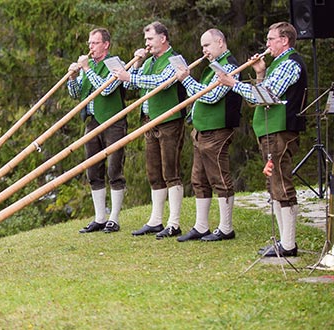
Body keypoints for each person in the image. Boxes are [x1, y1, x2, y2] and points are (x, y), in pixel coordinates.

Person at [218, 22, 307, 257]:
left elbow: (268, 96)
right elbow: (261, 95)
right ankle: (283, 241)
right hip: (270, 131)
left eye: (271, 39)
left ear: (284, 40)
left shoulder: (289, 63)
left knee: (281, 183)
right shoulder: (278, 64)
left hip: (281, 130)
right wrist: (259, 73)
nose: (267, 44)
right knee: (273, 185)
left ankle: (289, 244)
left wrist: (233, 84)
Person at [112, 21, 187, 239]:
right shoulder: (150, 61)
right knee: (154, 172)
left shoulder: (175, 60)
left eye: (150, 39)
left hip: (169, 120)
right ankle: (156, 220)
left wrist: (131, 76)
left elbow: (161, 82)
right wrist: (135, 66)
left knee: (170, 171)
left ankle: (174, 223)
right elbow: (130, 86)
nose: (147, 43)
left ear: (163, 39)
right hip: (149, 121)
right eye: (146, 40)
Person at [173, 29, 242, 242]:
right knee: (199, 179)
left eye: (207, 45)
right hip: (202, 130)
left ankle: (226, 227)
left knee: (219, 178)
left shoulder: (229, 66)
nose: (204, 51)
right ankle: (201, 226)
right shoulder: (212, 67)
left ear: (220, 42)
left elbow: (211, 96)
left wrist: (186, 80)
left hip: (218, 130)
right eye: (202, 46)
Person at [67, 28, 127, 234]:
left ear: (106, 45)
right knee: (93, 170)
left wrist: (87, 69)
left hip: (113, 122)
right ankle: (100, 217)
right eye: (89, 43)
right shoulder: (88, 66)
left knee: (114, 169)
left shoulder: (115, 64)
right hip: (92, 122)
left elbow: (107, 89)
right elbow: (77, 95)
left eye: (94, 43)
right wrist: (73, 77)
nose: (90, 47)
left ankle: (114, 218)